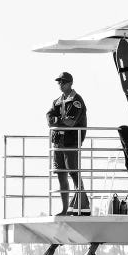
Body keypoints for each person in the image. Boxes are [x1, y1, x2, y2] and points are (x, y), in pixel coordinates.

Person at [46, 72, 89, 216]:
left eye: (63, 82)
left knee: (73, 173)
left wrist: (56, 121)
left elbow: (70, 122)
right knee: (61, 175)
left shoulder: (77, 100)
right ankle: (65, 209)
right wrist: (59, 120)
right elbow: (48, 119)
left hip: (71, 142)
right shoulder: (57, 101)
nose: (60, 84)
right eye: (59, 82)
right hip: (58, 143)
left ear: (70, 83)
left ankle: (82, 206)